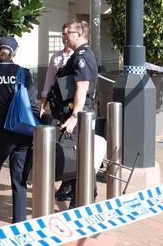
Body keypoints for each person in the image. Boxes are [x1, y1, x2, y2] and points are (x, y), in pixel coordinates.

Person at [0, 37, 39, 228]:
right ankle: (19, 226)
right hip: (24, 135)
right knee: (19, 181)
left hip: (0, 134)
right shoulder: (24, 73)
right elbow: (33, 107)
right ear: (14, 53)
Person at [48, 20, 98, 208]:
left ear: (78, 35)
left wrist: (74, 116)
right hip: (73, 113)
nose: (65, 35)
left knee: (80, 156)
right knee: (80, 155)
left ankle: (84, 199)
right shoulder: (78, 55)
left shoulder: (82, 56)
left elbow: (82, 87)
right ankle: (80, 197)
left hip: (77, 115)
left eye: (68, 32)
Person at [39, 23, 73, 117]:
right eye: (63, 34)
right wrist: (42, 106)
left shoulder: (78, 56)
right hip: (58, 103)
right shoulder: (55, 57)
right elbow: (49, 81)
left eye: (68, 34)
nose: (65, 37)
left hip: (73, 103)